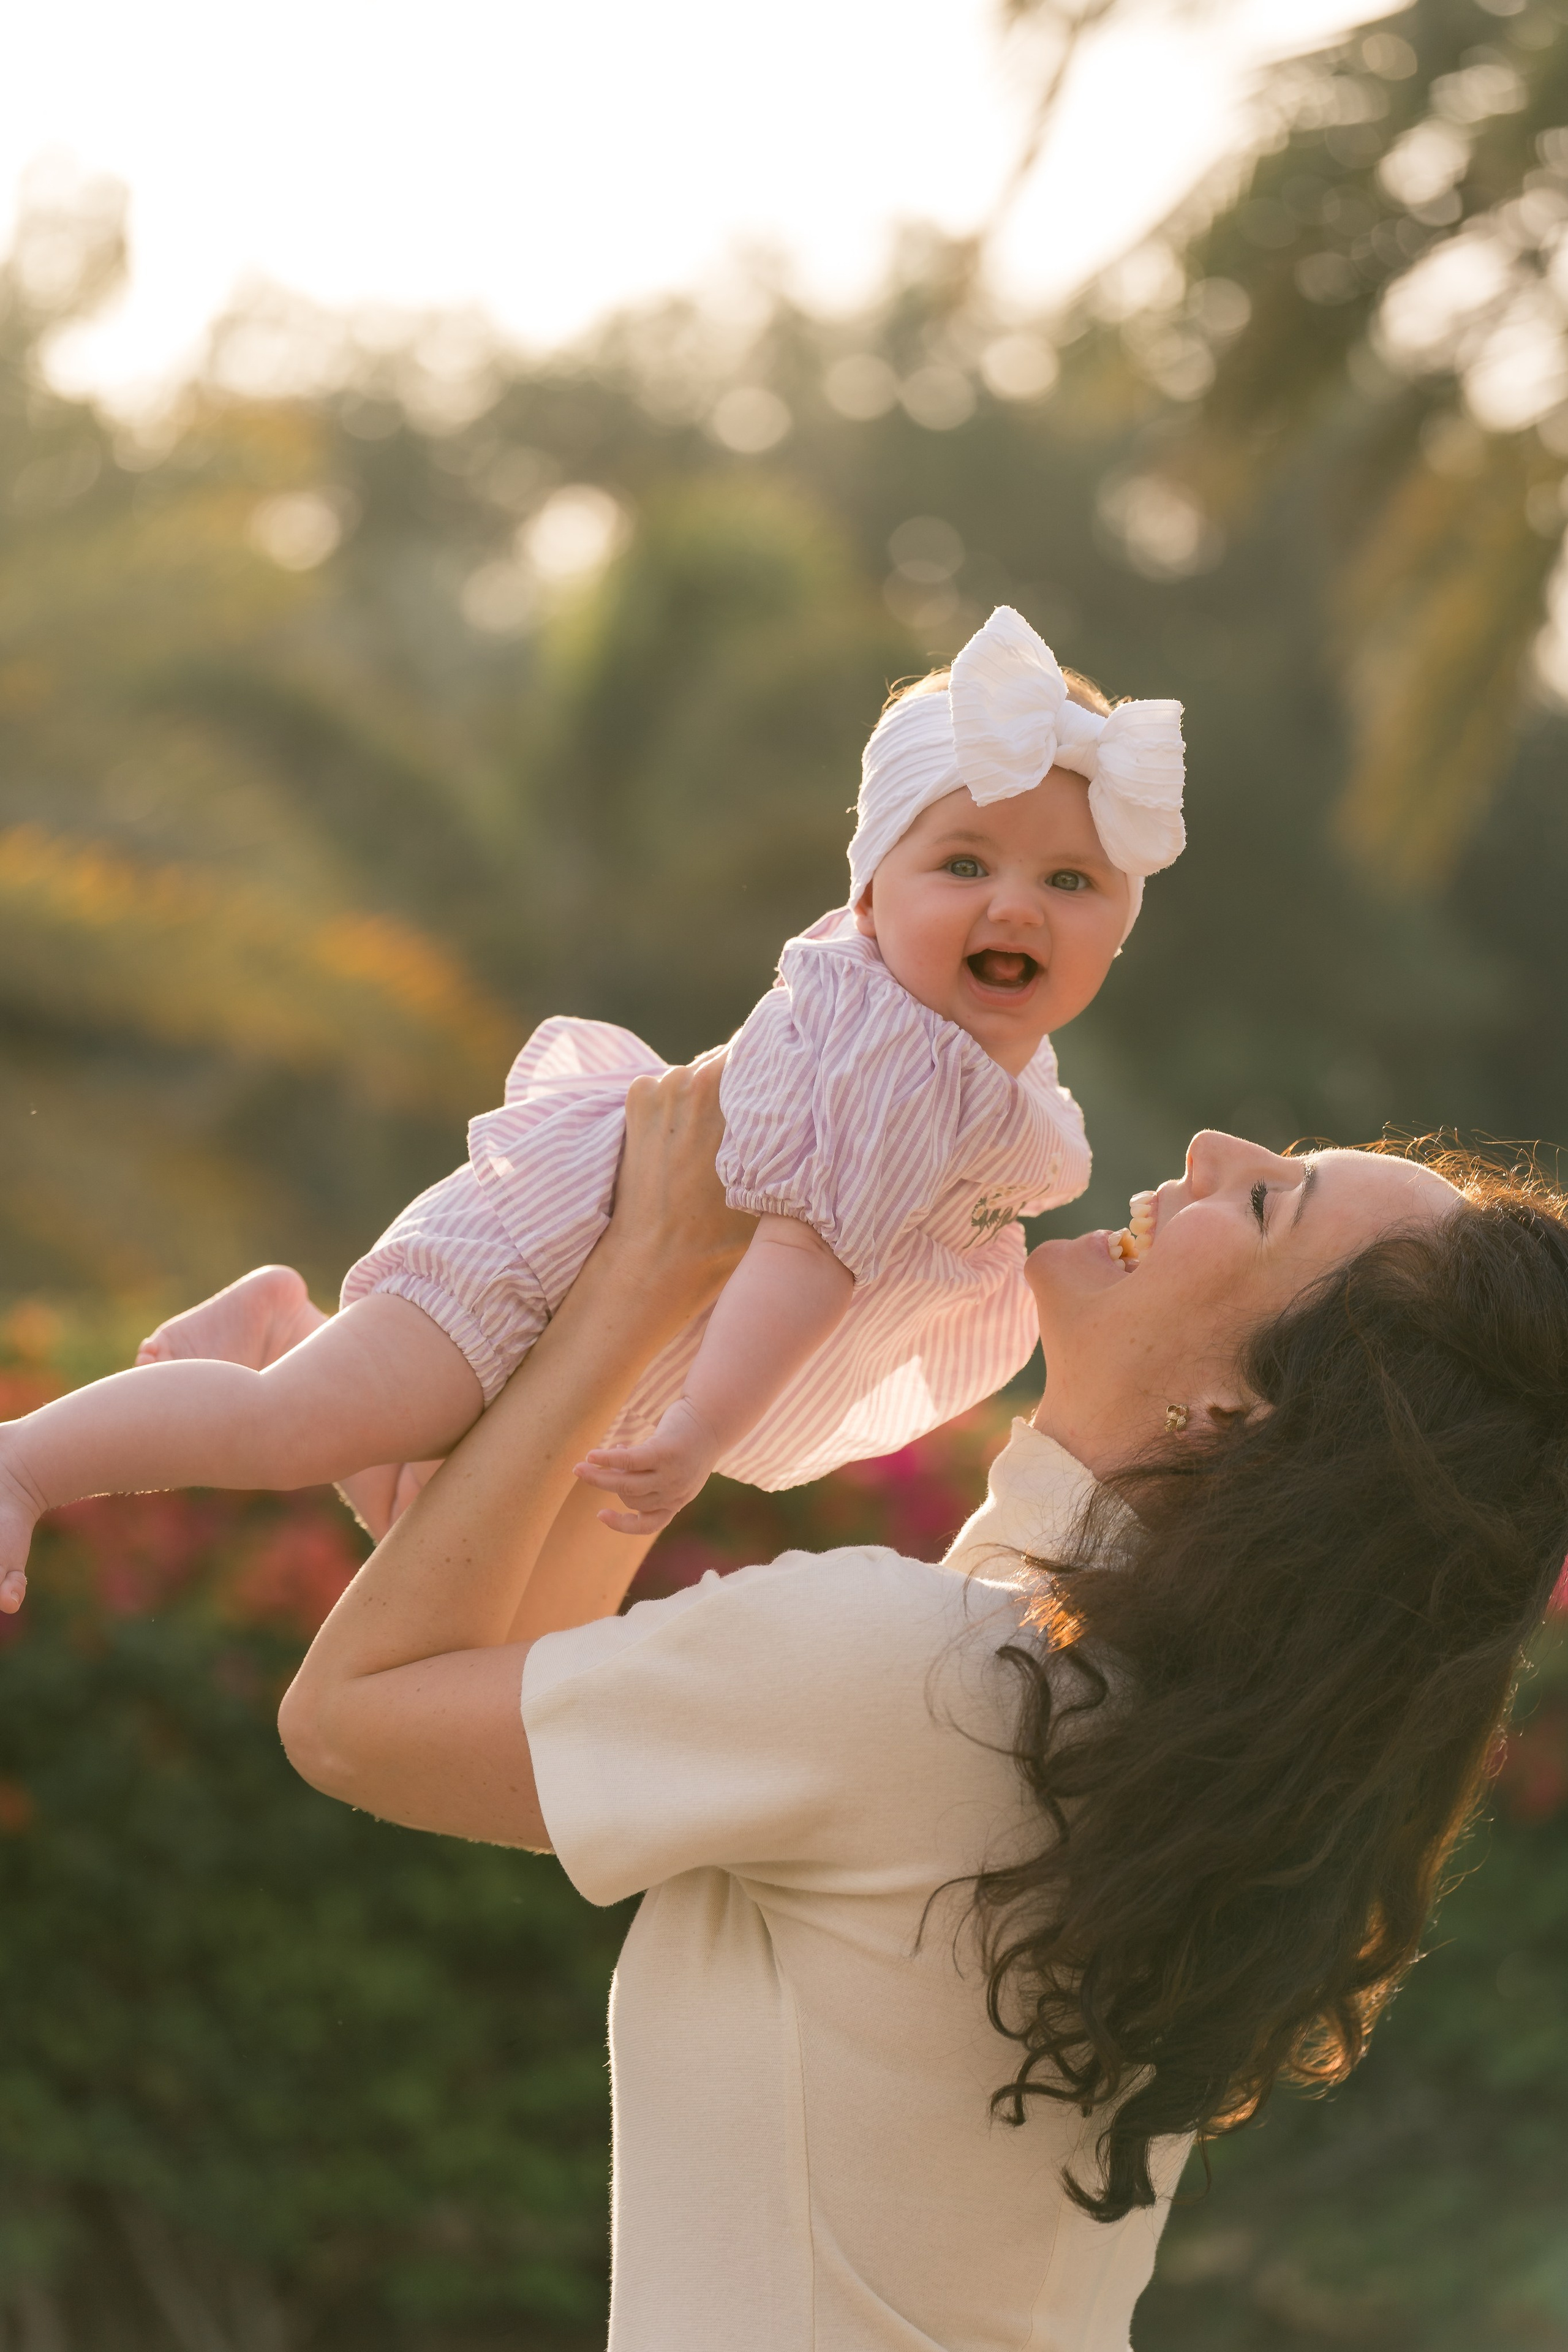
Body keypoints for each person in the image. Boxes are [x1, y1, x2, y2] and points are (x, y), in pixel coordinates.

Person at [276, 1061, 1568, 2350]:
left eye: (1268, 1201)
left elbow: (355, 1720)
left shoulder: (907, 1675)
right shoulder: (1144, 1749)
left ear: (1238, 1412)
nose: (1215, 1142)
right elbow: (529, 1678)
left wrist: (649, 1272)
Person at [0, 607, 1186, 1606]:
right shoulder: (898, 1056)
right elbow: (806, 1250)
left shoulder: (990, 1068)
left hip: (626, 1319)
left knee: (429, 1535)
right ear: (870, 902)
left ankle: (276, 1323)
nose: (1016, 907)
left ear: (1120, 932)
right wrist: (704, 1433)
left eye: (1068, 881)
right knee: (299, 1431)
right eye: (964, 866)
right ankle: (26, 1466)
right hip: (541, 1263)